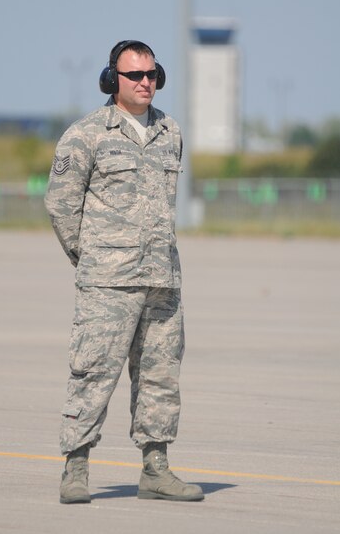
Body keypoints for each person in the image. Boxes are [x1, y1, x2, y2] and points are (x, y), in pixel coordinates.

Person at [45, 40, 204, 504]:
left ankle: (156, 468)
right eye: (134, 75)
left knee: (160, 376)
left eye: (151, 74)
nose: (145, 83)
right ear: (113, 80)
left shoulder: (170, 131)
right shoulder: (87, 134)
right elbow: (61, 205)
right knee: (93, 373)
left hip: (162, 280)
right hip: (108, 282)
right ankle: (75, 468)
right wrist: (93, 258)